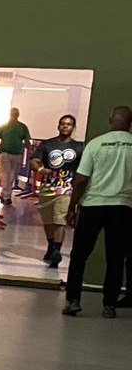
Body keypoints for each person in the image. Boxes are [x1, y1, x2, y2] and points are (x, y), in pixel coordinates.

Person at [62, 106, 132, 318]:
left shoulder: (96, 144)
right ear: (130, 123)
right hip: (122, 208)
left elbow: (81, 179)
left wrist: (72, 207)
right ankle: (109, 305)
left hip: (92, 206)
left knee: (79, 255)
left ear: (110, 120)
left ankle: (73, 300)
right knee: (115, 257)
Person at [30, 114, 84, 268]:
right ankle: (51, 245)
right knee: (48, 221)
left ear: (74, 127)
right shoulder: (47, 144)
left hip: (66, 188)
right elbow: (34, 160)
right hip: (47, 188)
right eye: (63, 123)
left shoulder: (80, 147)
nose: (65, 126)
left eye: (69, 124)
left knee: (60, 220)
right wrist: (41, 169)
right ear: (58, 126)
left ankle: (56, 251)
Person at [0, 107, 32, 205]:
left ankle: (3, 194)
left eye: (16, 114)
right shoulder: (3, 126)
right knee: (6, 175)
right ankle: (7, 197)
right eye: (13, 114)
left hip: (17, 154)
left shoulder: (22, 127)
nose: (14, 115)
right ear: (10, 114)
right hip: (5, 153)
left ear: (18, 115)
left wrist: (30, 152)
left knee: (11, 176)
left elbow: (27, 141)